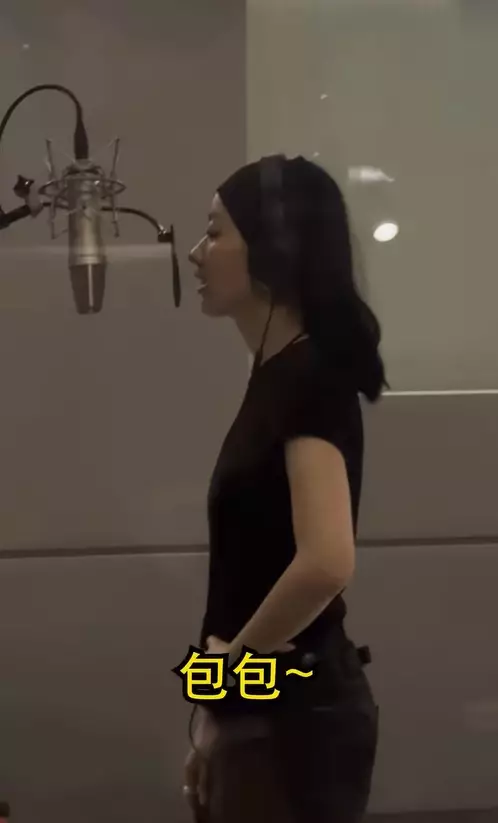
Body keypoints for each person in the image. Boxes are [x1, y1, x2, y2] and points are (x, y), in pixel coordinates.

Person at [184, 154, 386, 823]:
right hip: (271, 711)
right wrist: (213, 714)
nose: (196, 251)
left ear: (272, 248)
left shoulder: (307, 378)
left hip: (295, 724)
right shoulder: (276, 375)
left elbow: (326, 562)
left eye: (215, 231)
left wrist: (224, 685)